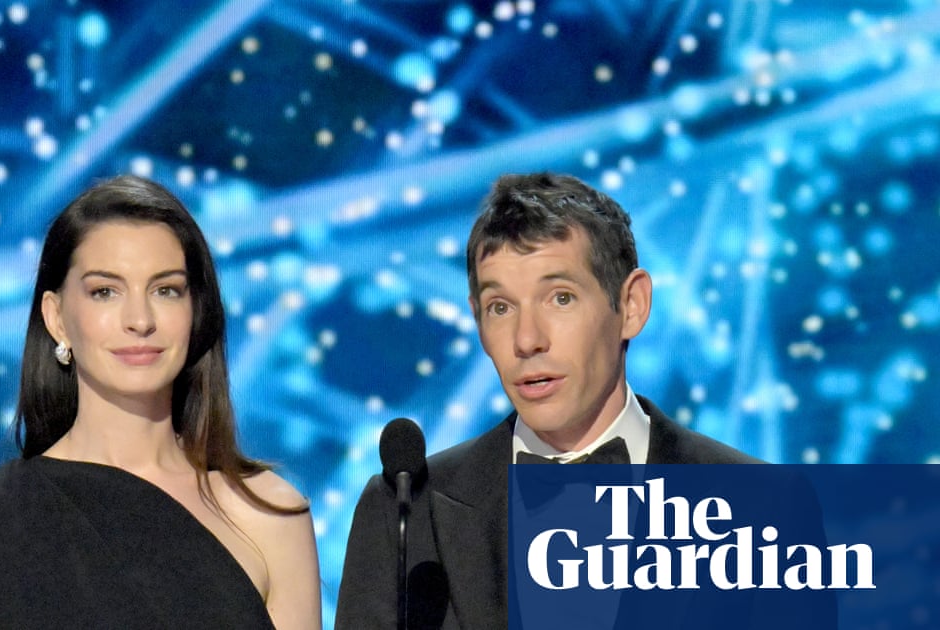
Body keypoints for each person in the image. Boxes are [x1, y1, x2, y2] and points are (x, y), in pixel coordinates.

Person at [334, 173, 790, 629]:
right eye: (500, 307)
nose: (527, 339)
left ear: (632, 305)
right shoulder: (404, 513)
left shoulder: (762, 506)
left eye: (561, 298)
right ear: (478, 322)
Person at [0, 175, 321, 629]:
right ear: (56, 318)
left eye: (166, 290)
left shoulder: (269, 513)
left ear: (196, 312)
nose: (140, 320)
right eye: (105, 291)